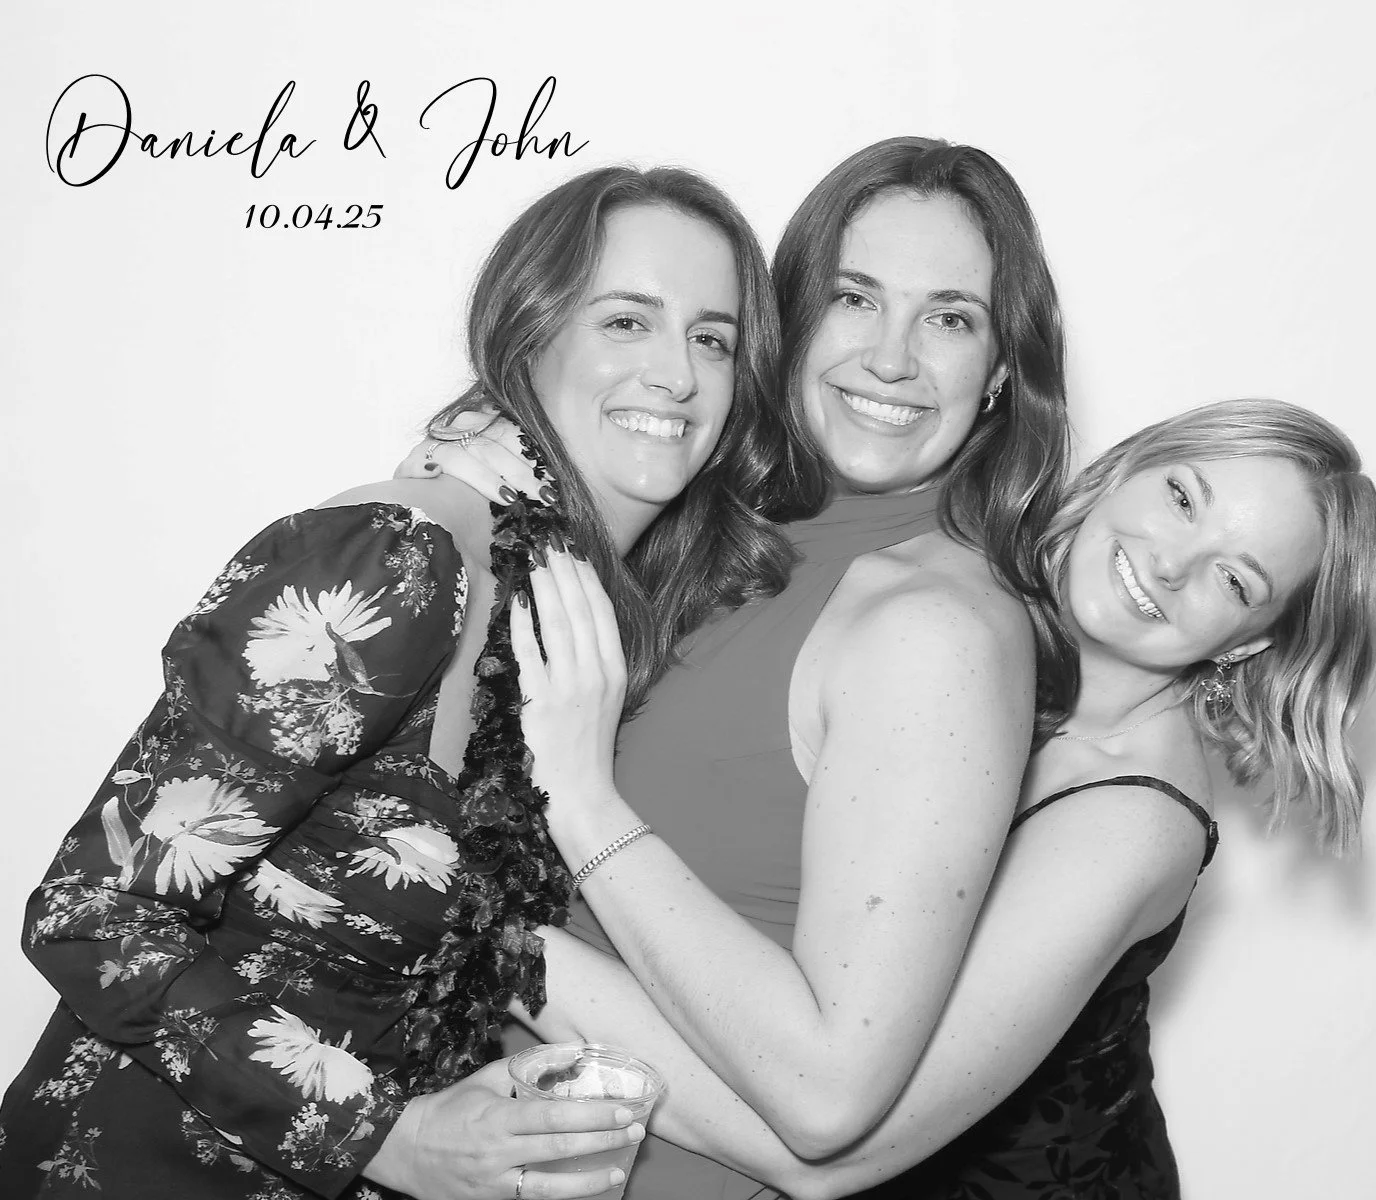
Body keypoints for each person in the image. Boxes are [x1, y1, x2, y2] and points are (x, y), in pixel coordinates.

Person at [0, 164, 789, 1200]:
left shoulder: (585, 620)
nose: (679, 374)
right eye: (627, 321)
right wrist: (388, 1137)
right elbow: (93, 913)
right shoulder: (398, 565)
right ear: (531, 332)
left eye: (713, 338)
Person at [396, 135, 1075, 1199]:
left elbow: (825, 1093)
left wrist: (500, 861)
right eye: (855, 298)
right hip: (472, 1142)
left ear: (999, 374)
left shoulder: (931, 630)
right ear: (790, 320)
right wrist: (474, 484)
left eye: (950, 317)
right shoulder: (718, 529)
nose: (891, 358)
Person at [499, 398, 1376, 1199]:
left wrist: (484, 940)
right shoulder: (978, 618)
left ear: (1249, 643)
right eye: (1183, 499)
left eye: (1237, 581)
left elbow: (817, 1152)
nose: (1175, 562)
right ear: (1123, 470)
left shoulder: (1132, 821)